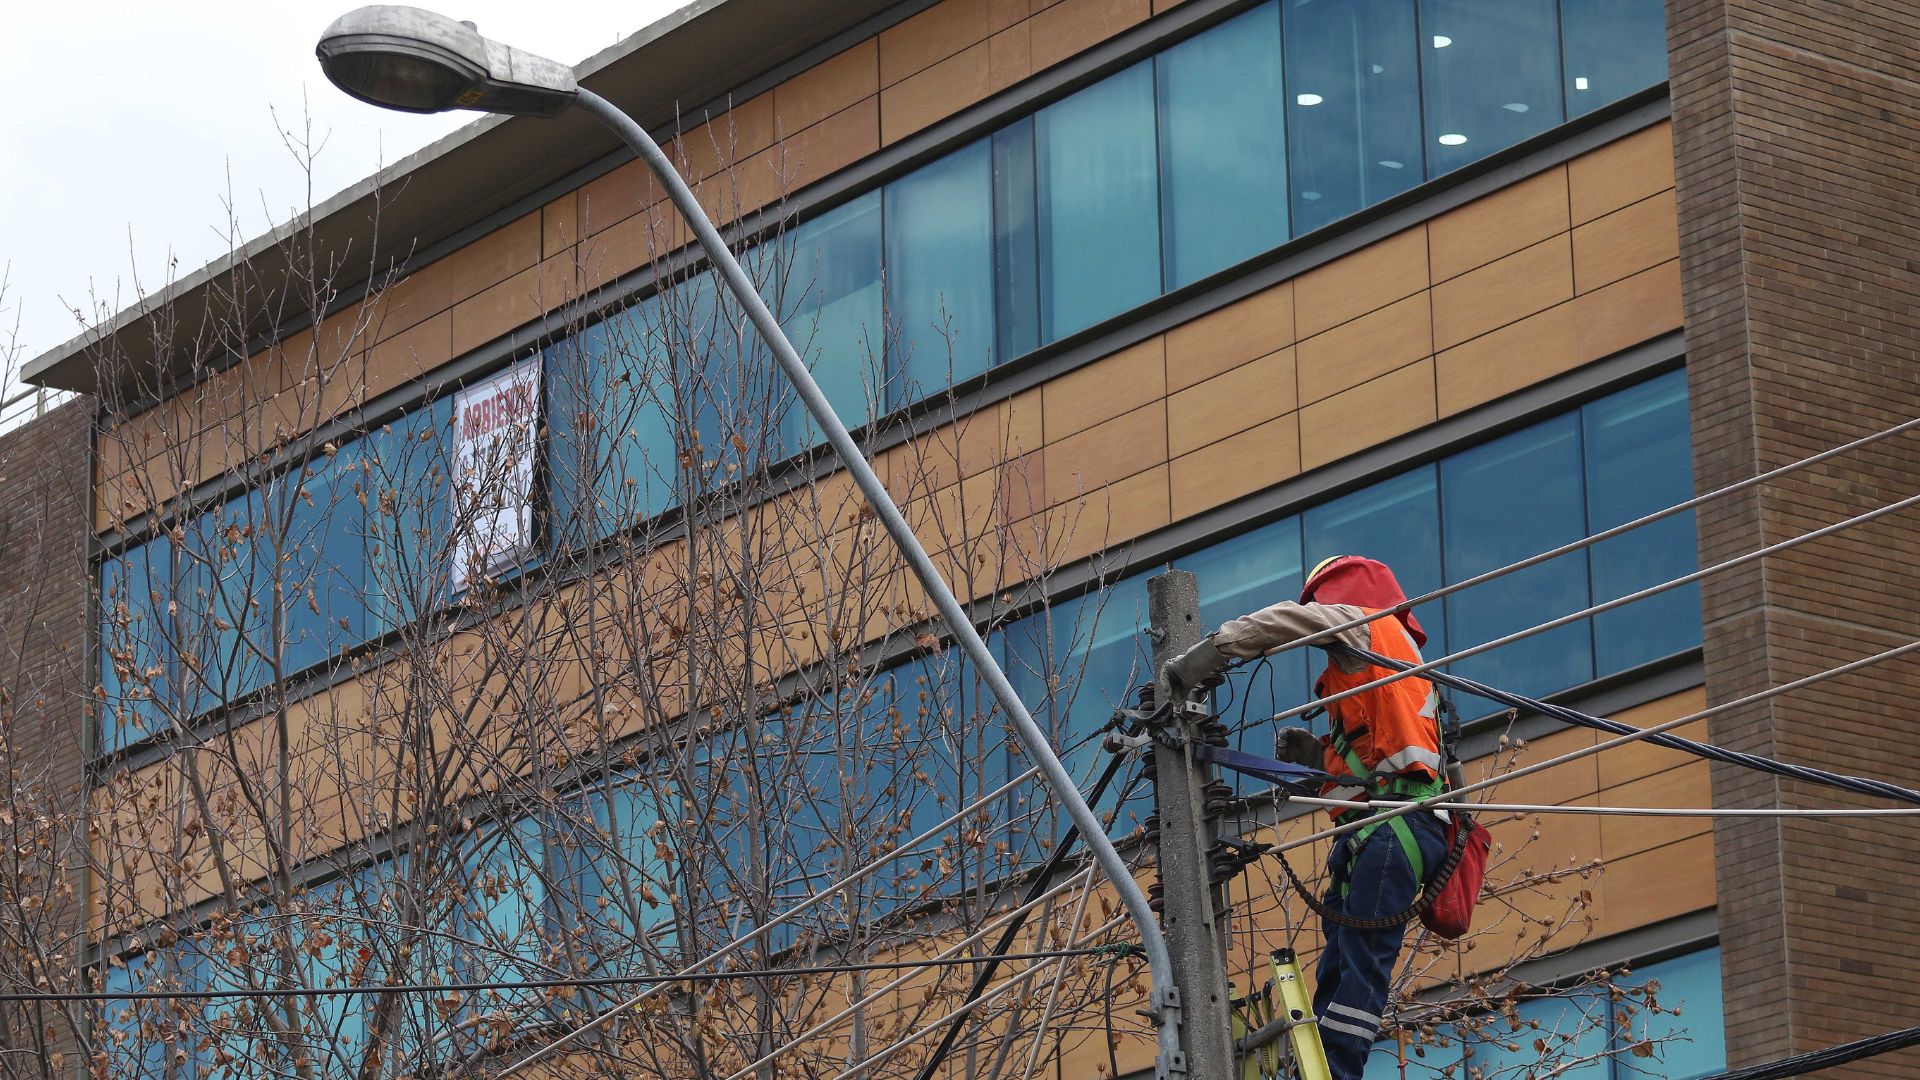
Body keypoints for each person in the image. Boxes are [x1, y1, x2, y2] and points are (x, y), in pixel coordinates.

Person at [1162, 554, 1450, 1080]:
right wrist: (1317, 756)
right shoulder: (1396, 664)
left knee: (1360, 965)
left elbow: (1282, 623)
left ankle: (1336, 1072)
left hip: (1394, 828)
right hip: (1390, 824)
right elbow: (1383, 757)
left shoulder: (1365, 627)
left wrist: (1204, 657)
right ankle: (1315, 1067)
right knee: (1339, 964)